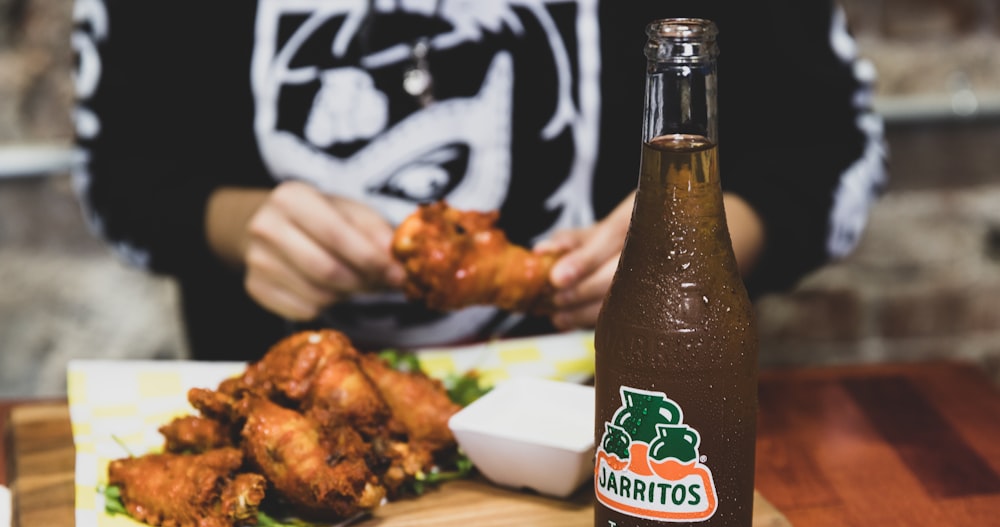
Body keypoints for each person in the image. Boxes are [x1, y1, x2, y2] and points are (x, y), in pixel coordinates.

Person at [70, 1, 886, 361]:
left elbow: (833, 148)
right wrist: (239, 222)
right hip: (279, 486)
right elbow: (120, 172)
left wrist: (696, 245)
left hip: (627, 446)